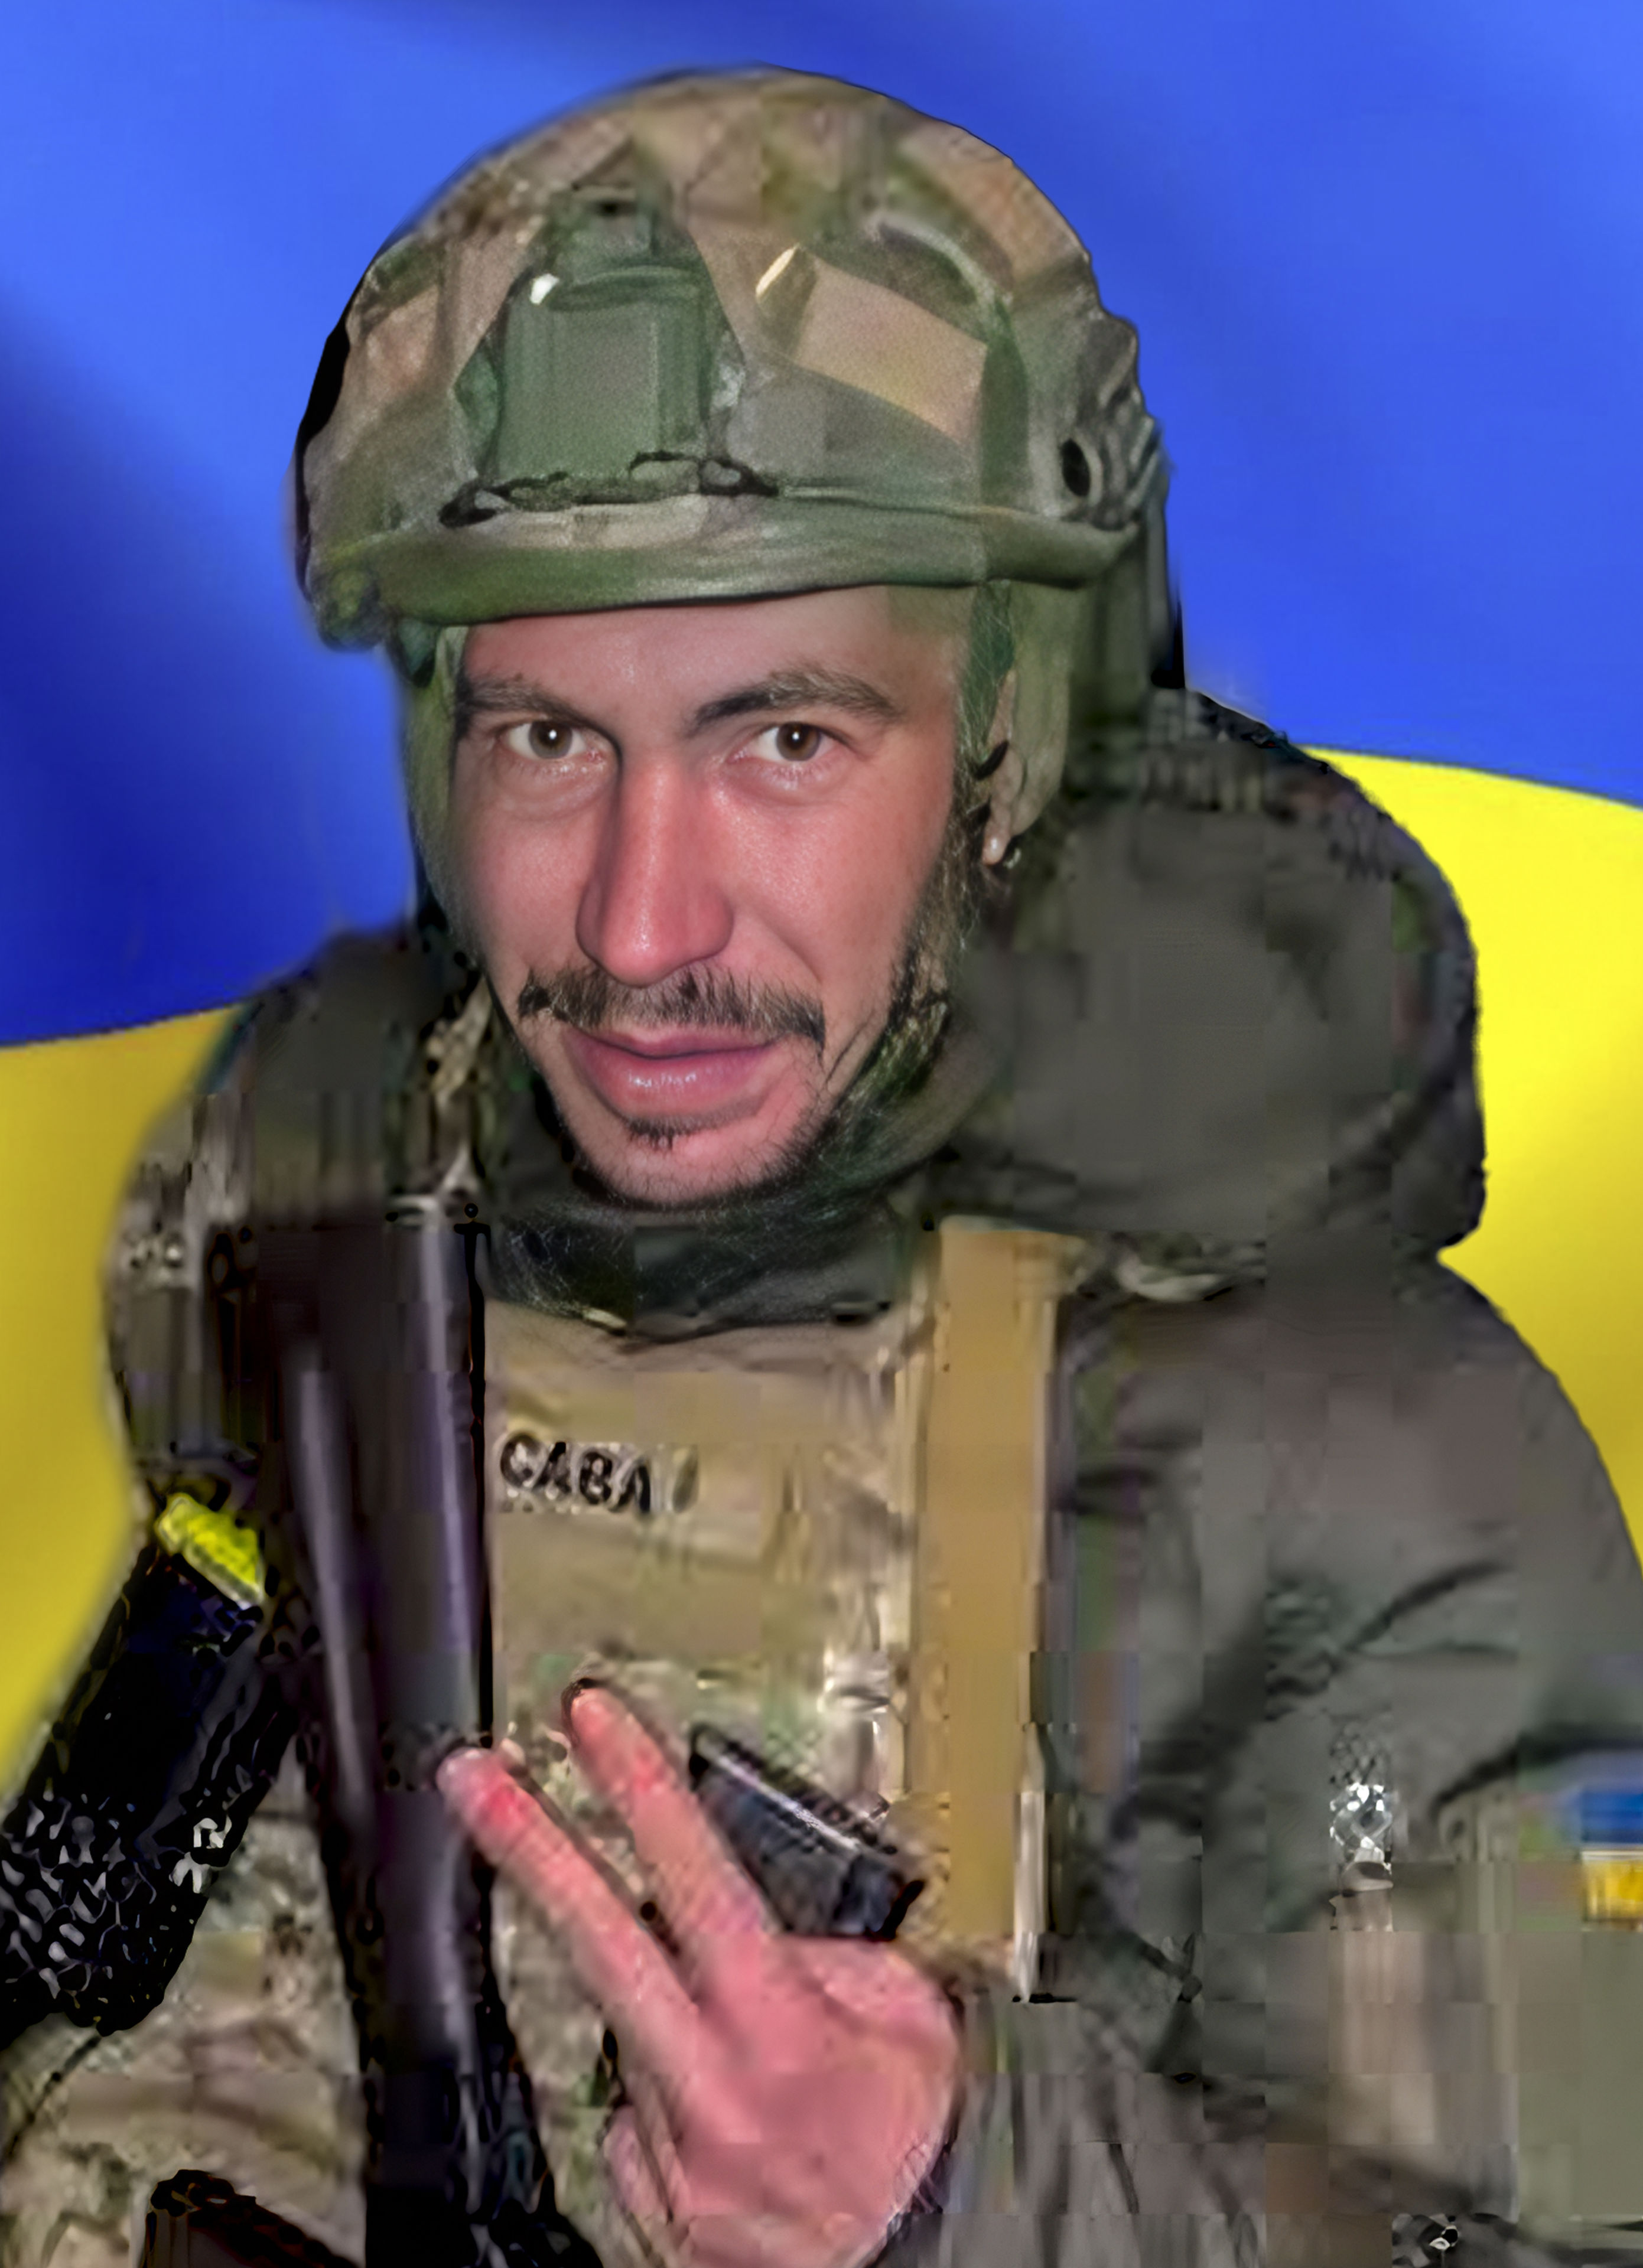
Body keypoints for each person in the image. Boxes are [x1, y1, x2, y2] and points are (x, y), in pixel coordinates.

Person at [6, 63, 1643, 2268]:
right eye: (548, 738)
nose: (639, 931)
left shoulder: (1356, 1468)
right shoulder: (299, 1193)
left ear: (1006, 750)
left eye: (784, 738)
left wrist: (974, 2189)